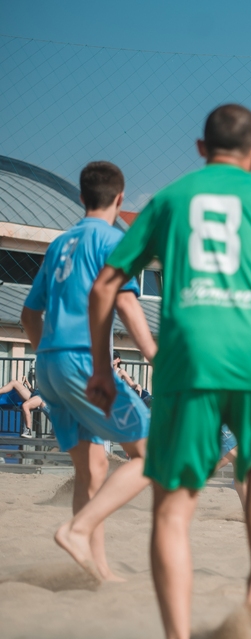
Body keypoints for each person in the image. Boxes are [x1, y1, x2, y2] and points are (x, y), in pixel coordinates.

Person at [86, 104, 251, 639]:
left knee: (174, 506)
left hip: (188, 354)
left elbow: (106, 286)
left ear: (201, 148)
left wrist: (102, 368)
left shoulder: (171, 199)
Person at [19, 161, 156, 583]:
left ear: (81, 197)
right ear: (120, 199)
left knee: (92, 470)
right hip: (84, 362)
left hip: (48, 364)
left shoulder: (61, 243)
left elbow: (28, 314)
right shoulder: (115, 240)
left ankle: (96, 571)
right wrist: (157, 357)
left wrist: (48, 355)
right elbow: (128, 304)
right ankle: (77, 530)